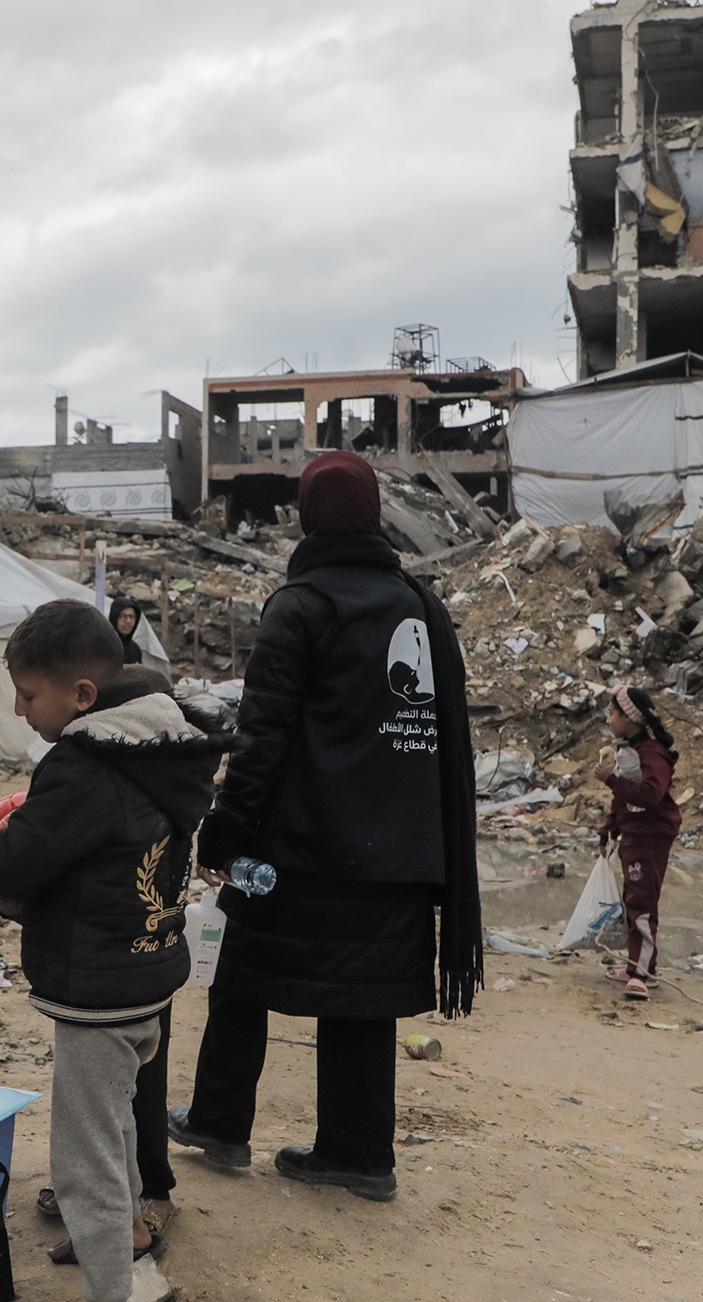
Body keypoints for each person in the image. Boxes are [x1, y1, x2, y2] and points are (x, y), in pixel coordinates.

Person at [0, 603, 226, 1302]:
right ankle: (131, 1232)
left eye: (27, 695)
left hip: (97, 990)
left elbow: (14, 864)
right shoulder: (166, 745)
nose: (19, 711)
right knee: (116, 1121)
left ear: (82, 694)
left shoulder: (86, 763)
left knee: (85, 1159)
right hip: (146, 973)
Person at [167, 450, 481, 1203]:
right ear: (373, 513)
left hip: (298, 852)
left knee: (240, 976)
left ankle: (219, 1123)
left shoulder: (301, 604)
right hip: (401, 854)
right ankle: (359, 1155)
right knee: (362, 1001)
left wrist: (224, 832)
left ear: (308, 516)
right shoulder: (419, 606)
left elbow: (263, 738)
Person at [31, 664, 207, 1251]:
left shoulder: (109, 768)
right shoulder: (172, 766)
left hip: (111, 974)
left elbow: (26, 864)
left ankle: (113, 1290)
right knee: (116, 1104)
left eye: (28, 694)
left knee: (104, 1118)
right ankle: (120, 1216)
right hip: (147, 961)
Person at [593, 684, 682, 1000]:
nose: (609, 719)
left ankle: (642, 975)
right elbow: (623, 799)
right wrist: (609, 830)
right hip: (634, 836)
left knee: (642, 904)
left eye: (612, 714)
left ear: (629, 718)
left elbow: (650, 795)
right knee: (633, 900)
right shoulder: (628, 752)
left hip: (650, 838)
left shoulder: (652, 755)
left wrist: (610, 780)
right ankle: (636, 966)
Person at [107, 598, 144, 666]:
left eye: (131, 616)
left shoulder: (135, 649)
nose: (128, 621)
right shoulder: (104, 646)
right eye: (124, 616)